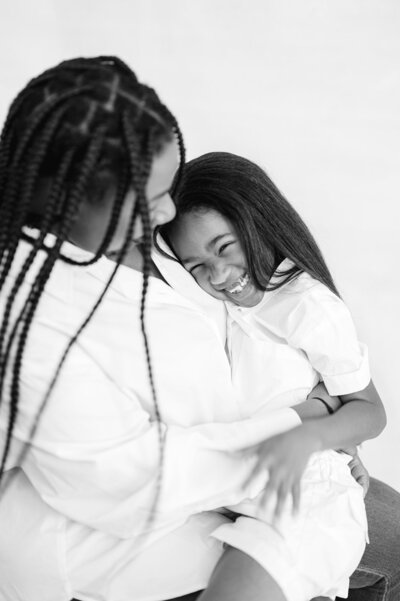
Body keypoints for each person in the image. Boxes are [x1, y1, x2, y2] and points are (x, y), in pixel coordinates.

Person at [0, 58, 398, 601]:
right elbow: (134, 485)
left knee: (385, 526)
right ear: (76, 200)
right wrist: (307, 420)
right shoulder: (36, 315)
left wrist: (330, 435)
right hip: (152, 537)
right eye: (150, 196)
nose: (167, 212)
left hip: (268, 477)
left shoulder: (146, 240)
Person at [163, 151, 389, 600]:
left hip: (306, 494)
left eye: (224, 247)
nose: (219, 274)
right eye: (197, 267)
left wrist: (313, 437)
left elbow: (370, 411)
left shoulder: (307, 305)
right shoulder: (219, 311)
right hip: (240, 491)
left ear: (257, 219)